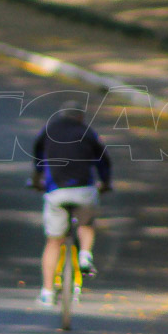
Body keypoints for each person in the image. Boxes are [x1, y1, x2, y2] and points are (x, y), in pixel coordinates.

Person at [31, 102, 111, 306]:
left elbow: (38, 156)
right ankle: (85, 254)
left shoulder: (49, 130)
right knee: (86, 224)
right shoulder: (87, 131)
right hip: (84, 189)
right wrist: (106, 183)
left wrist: (36, 180)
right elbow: (103, 160)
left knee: (53, 242)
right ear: (80, 118)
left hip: (56, 190)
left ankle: (47, 292)